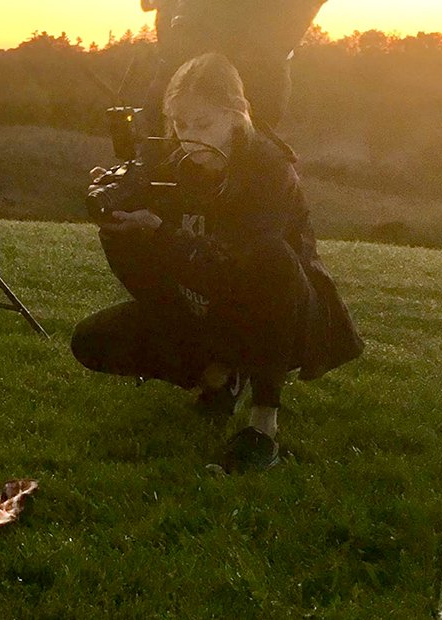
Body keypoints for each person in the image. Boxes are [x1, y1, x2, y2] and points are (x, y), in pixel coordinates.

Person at [73, 53, 362, 471]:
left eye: (204, 124)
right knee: (91, 340)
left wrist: (162, 233)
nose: (191, 138)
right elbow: (159, 277)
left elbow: (243, 265)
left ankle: (263, 423)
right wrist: (121, 221)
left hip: (281, 313)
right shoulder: (176, 164)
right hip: (208, 306)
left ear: (237, 115)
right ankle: (220, 374)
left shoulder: (268, 168)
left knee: (271, 257)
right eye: (181, 125)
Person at [139, 0, 326, 132]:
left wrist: (266, 48)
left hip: (252, 80)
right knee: (159, 145)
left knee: (248, 155)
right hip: (177, 74)